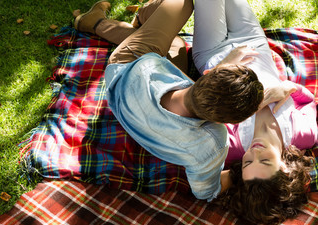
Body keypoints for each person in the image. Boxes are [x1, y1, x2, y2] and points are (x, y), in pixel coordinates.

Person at [73, 0, 264, 202]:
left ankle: (100, 21)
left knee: (185, 2)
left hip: (126, 72)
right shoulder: (212, 143)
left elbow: (149, 62)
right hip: (133, 110)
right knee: (177, 45)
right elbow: (206, 192)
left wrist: (224, 65)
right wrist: (245, 175)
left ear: (207, 73)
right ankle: (140, 21)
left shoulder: (147, 69)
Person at [191, 0, 318, 225]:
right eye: (265, 161)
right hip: (254, 43)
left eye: (248, 163)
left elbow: (208, 102)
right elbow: (307, 100)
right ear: (285, 168)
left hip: (215, 54)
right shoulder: (303, 135)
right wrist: (288, 88)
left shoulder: (233, 147)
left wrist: (259, 102)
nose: (254, 153)